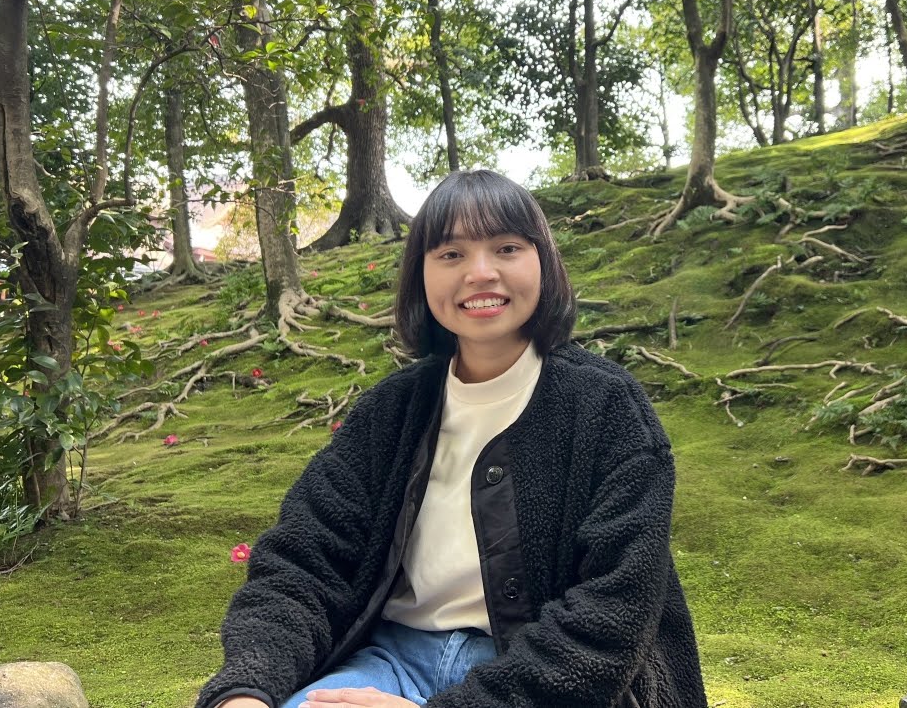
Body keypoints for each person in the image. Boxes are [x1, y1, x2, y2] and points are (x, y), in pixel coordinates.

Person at [195, 170, 706, 708]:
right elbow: (302, 563)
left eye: (506, 248)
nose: (480, 273)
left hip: (539, 680)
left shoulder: (607, 408)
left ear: (544, 262)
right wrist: (247, 687)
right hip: (390, 662)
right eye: (451, 254)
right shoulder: (391, 412)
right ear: (421, 275)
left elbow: (613, 613)